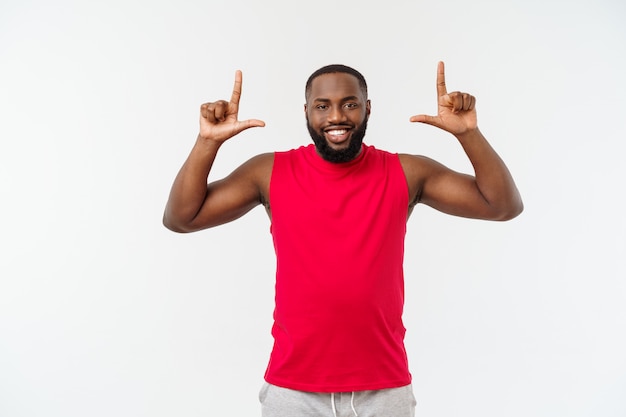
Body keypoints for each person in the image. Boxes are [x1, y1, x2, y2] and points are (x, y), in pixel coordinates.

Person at [163, 61, 523, 417]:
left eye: (350, 103)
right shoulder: (269, 171)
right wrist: (207, 142)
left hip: (383, 390)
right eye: (323, 106)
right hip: (293, 391)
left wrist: (468, 134)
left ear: (368, 109)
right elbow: (182, 218)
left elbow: (502, 206)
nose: (337, 116)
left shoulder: (407, 172)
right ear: (307, 112)